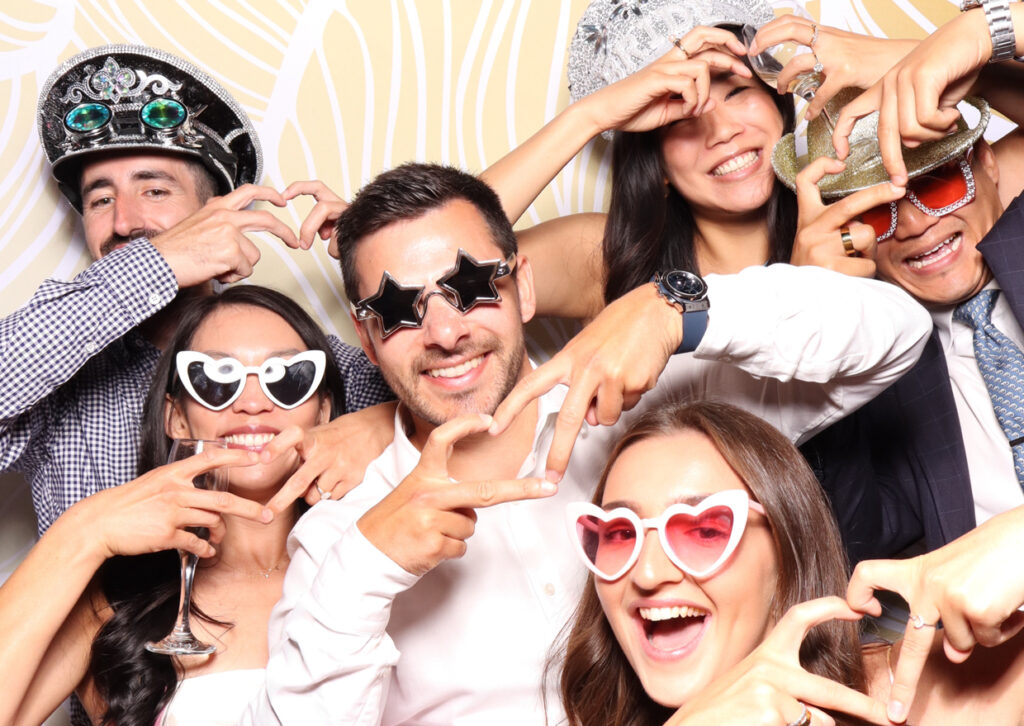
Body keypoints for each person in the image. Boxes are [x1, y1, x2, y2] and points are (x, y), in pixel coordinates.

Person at [242, 161, 930, 724]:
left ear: (524, 288)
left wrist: (677, 308)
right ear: (366, 338)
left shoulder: (660, 410)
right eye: (397, 310)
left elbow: (896, 334)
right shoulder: (343, 539)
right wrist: (370, 562)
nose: (446, 332)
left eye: (473, 286)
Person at [0, 44, 394, 536]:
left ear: (219, 213)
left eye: (155, 190)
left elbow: (458, 395)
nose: (124, 222)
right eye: (101, 199)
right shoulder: (58, 377)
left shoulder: (301, 365)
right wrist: (159, 262)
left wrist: (380, 245)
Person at [0, 284, 348, 726]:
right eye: (216, 379)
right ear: (177, 418)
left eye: (288, 376)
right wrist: (84, 529)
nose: (253, 404)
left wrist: (379, 423)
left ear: (322, 412)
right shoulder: (117, 602)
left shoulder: (373, 562)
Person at [558, 398, 1024, 726]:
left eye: (704, 529)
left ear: (786, 551)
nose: (648, 573)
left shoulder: (918, 698)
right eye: (619, 534)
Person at [780, 2, 1024, 569]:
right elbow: (850, 541)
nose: (915, 226)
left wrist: (980, 34)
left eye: (935, 181)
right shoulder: (884, 383)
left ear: (988, 163)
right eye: (876, 211)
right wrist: (814, 312)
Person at [480, 0, 912, 319]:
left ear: (779, 109)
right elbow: (440, 261)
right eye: (682, 115)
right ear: (657, 166)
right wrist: (589, 117)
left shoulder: (858, 221)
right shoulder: (611, 257)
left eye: (738, 91)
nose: (723, 131)